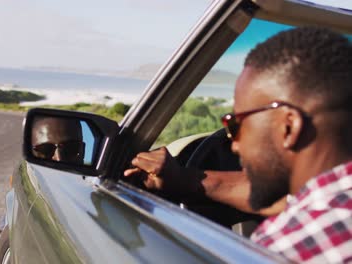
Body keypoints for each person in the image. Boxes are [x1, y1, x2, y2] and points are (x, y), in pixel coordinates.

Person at [124, 26, 352, 263]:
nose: (233, 145)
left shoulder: (288, 247)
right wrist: (184, 179)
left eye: (236, 125)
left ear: (288, 127)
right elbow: (291, 198)